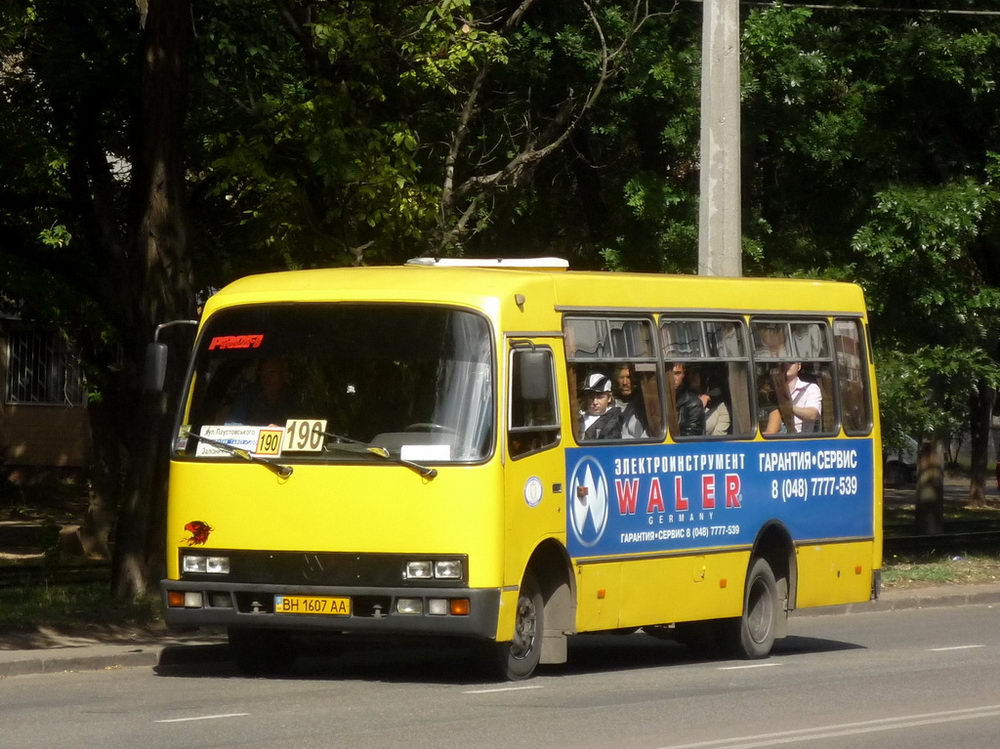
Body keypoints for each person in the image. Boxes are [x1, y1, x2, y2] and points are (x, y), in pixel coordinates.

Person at [763, 361, 821, 434]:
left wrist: (789, 407)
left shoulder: (810, 388)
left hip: (803, 439)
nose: (786, 365)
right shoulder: (773, 391)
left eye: (791, 362)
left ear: (799, 366)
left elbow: (812, 414)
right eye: (783, 362)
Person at [578, 372, 623, 440]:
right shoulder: (578, 416)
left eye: (600, 397)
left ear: (609, 398)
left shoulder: (614, 420)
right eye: (591, 397)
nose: (595, 402)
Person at [669, 362, 706, 436]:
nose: (673, 378)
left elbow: (689, 440)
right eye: (669, 374)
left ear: (683, 375)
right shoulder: (659, 399)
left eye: (677, 373)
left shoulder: (693, 404)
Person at [612, 363, 648, 439]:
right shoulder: (609, 404)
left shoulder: (645, 405)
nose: (625, 382)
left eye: (628, 377)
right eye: (621, 377)